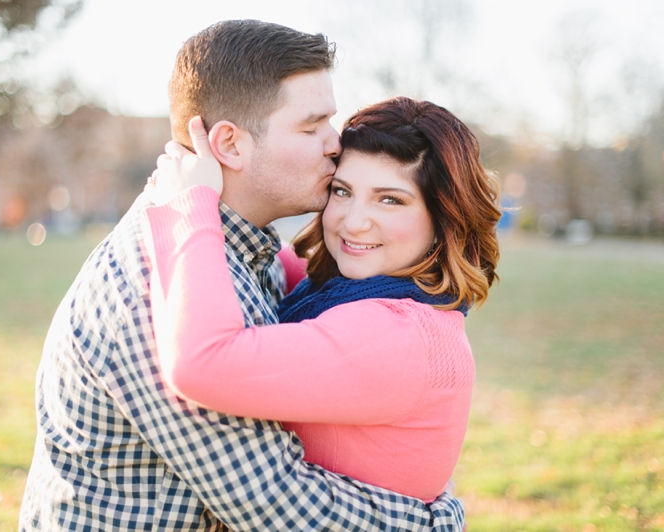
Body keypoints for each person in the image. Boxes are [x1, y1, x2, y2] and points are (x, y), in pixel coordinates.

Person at [19, 20, 466, 531]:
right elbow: (273, 502)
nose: (335, 143)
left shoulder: (242, 252)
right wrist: (434, 520)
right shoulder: (162, 283)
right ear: (229, 145)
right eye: (312, 125)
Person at [143, 97, 501, 504]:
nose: (352, 221)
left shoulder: (397, 336)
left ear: (444, 220)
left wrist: (186, 207)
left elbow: (204, 363)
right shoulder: (340, 291)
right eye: (342, 191)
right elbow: (260, 256)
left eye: (390, 200)